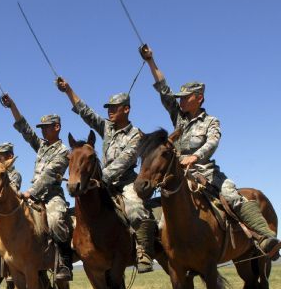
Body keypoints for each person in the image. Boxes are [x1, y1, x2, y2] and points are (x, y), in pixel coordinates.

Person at [140, 44, 281, 260]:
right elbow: (163, 89)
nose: (181, 100)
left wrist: (195, 156)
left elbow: (213, 142)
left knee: (233, 197)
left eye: (186, 97)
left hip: (205, 171)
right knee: (153, 205)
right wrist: (150, 61)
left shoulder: (211, 122)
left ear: (199, 98)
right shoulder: (178, 117)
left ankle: (265, 237)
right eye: (181, 97)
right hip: (176, 173)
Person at [56, 78, 156, 273]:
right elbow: (86, 112)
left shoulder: (136, 135)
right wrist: (68, 90)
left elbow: (124, 162)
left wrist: (100, 178)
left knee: (136, 210)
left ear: (126, 109)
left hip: (125, 182)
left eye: (114, 107)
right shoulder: (107, 128)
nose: (109, 111)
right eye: (108, 107)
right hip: (100, 184)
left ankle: (143, 251)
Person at [1, 94, 73, 281]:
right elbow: (25, 130)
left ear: (56, 127)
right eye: (41, 128)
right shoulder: (41, 146)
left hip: (51, 196)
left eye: (46, 128)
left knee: (56, 219)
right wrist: (13, 107)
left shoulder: (64, 151)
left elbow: (49, 175)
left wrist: (30, 192)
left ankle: (65, 262)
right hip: (33, 196)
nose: (42, 131)